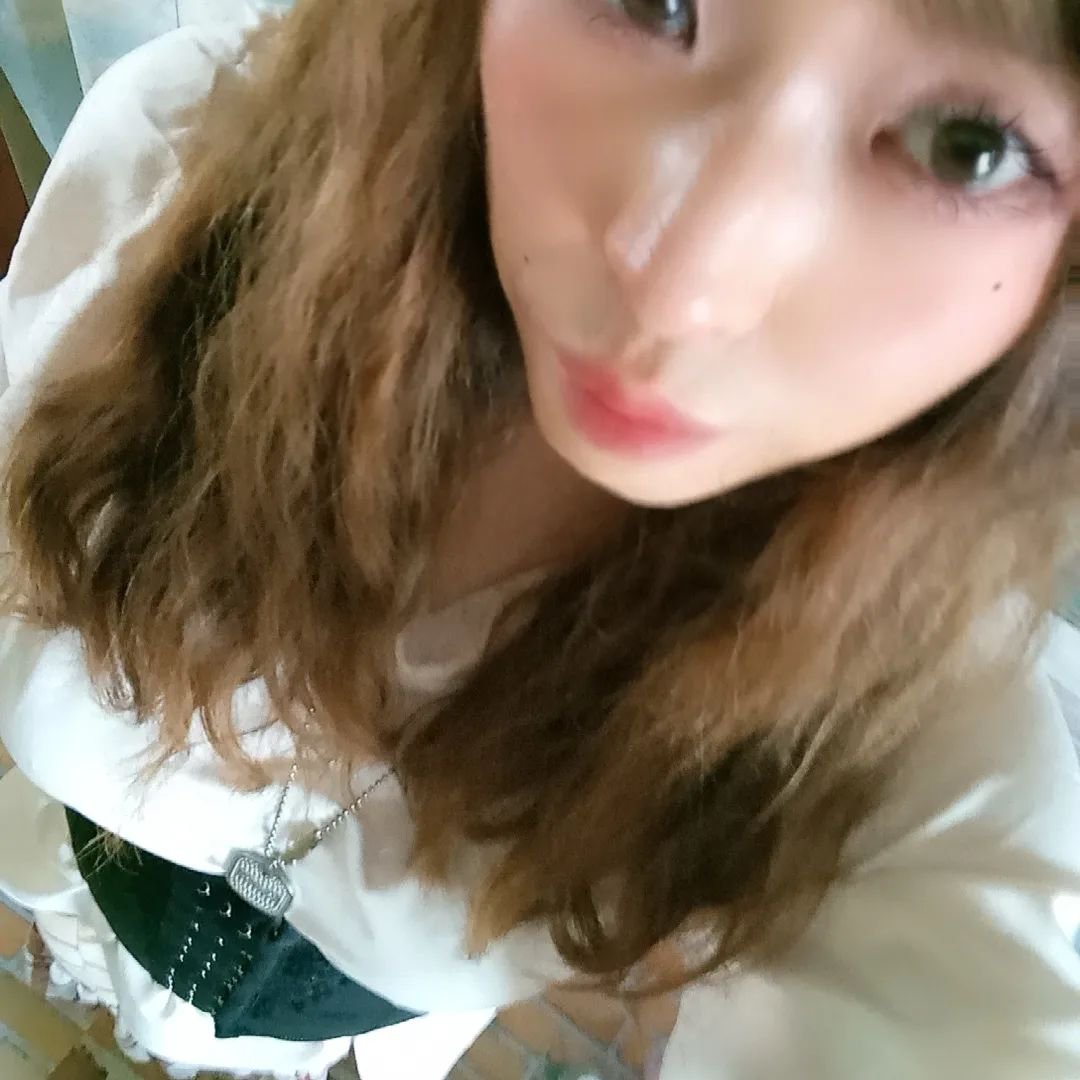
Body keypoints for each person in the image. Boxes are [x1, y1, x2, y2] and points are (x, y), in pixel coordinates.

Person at [0, 0, 1078, 1077]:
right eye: (655, 2)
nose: (681, 287)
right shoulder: (187, 167)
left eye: (966, 146)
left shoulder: (906, 728)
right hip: (94, 879)